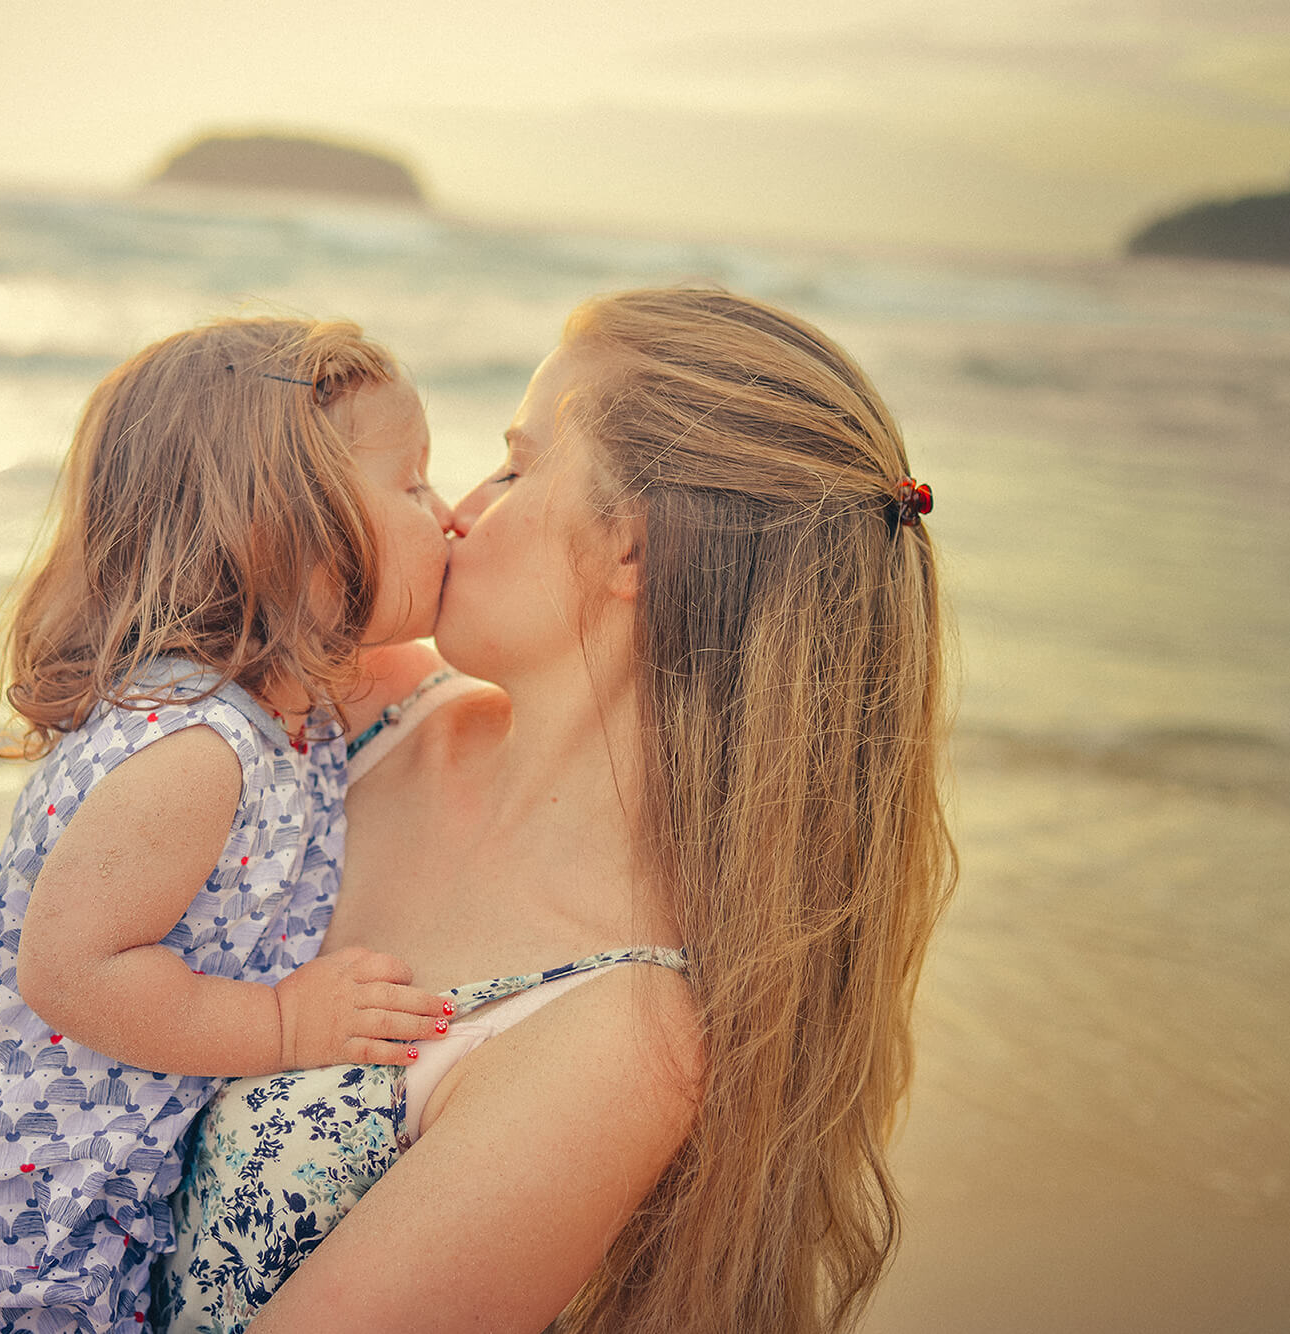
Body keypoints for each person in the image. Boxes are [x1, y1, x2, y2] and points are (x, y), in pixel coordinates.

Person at [158, 287, 957, 1334]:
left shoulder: (611, 1035)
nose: (458, 508)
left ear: (630, 548)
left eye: (516, 464)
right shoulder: (361, 704)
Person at [0, 316, 458, 1334]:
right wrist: (285, 1024)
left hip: (88, 1221)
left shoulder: (302, 703)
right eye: (413, 485)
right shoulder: (192, 751)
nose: (451, 515)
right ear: (281, 526)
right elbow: (69, 969)